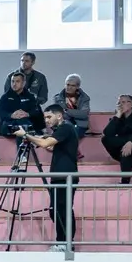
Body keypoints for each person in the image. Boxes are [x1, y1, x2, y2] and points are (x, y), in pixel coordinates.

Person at [22, 105, 80, 246]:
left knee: (64, 211)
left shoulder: (66, 128)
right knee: (55, 211)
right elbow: (50, 145)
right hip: (58, 176)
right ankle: (61, 242)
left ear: (59, 116)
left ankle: (65, 243)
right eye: (45, 118)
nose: (47, 120)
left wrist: (26, 135)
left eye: (49, 117)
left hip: (66, 176)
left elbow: (45, 143)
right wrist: (38, 138)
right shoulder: (60, 130)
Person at [0, 71, 42, 138]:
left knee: (25, 124)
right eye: (12, 81)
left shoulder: (30, 96)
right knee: (13, 126)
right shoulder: (5, 97)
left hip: (25, 121)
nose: (14, 84)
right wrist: (11, 115)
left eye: (17, 81)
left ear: (23, 83)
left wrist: (27, 114)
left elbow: (36, 111)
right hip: (9, 123)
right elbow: (0, 112)